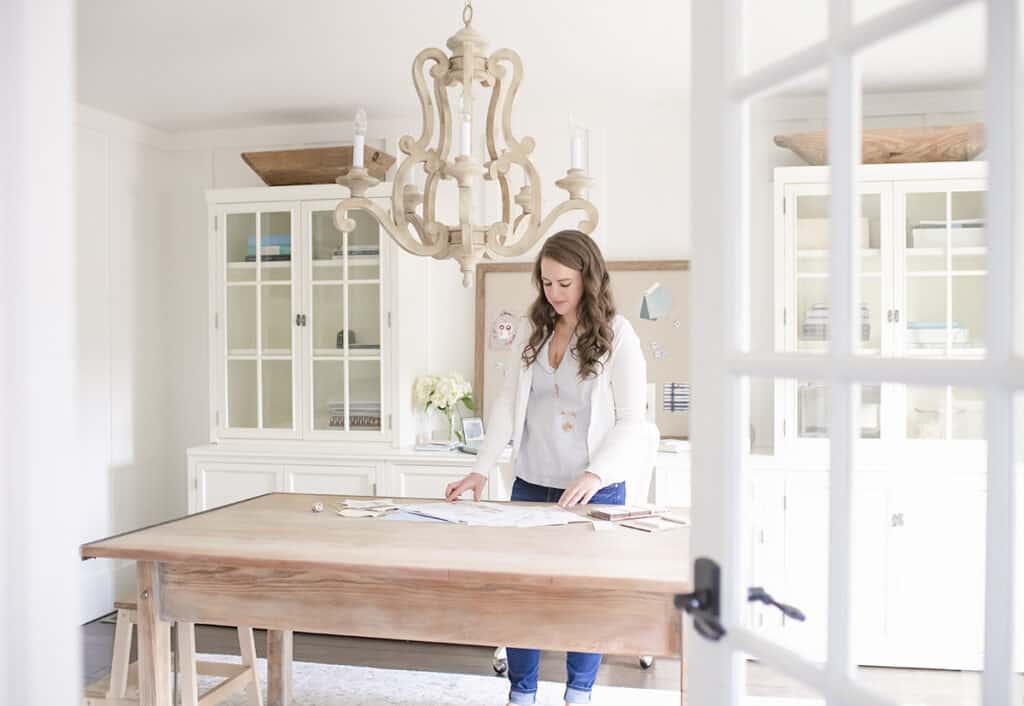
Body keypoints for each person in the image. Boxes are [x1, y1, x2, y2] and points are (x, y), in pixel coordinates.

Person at [445, 229, 648, 706]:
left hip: (592, 493)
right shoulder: (533, 330)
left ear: (589, 279)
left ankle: (579, 693)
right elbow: (507, 402)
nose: (554, 294)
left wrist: (596, 473)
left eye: (564, 283)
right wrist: (480, 467)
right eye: (547, 283)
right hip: (531, 483)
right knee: (521, 595)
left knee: (585, 598)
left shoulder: (618, 335)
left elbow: (632, 420)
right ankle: (522, 693)